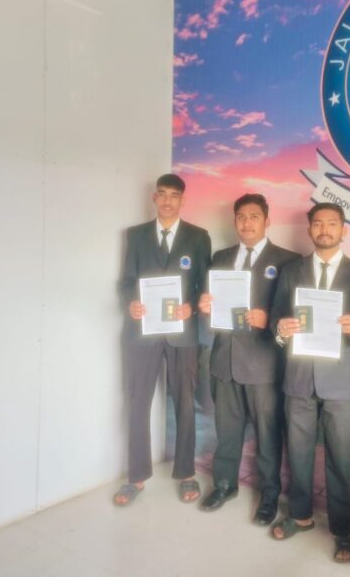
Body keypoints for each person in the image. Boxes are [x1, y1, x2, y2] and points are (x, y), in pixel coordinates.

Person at [269, 202, 350, 563]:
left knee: (340, 459)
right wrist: (281, 330)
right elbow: (276, 320)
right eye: (318, 223)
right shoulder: (291, 271)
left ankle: (343, 530)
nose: (324, 229)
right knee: (298, 453)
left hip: (340, 382)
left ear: (344, 230)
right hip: (298, 377)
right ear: (309, 230)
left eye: (332, 223)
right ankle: (300, 515)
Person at [197, 193, 300, 525]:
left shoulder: (288, 261)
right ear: (235, 221)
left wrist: (268, 318)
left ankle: (269, 496)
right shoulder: (221, 257)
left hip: (263, 364)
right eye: (241, 216)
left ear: (267, 221)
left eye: (254, 216)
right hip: (223, 360)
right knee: (226, 431)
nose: (246, 223)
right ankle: (224, 485)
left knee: (268, 436)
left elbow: (294, 313)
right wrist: (205, 307)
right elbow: (213, 306)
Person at [114, 173, 211, 506]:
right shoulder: (136, 235)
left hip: (182, 333)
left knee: (185, 402)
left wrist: (191, 307)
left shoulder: (198, 237)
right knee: (138, 401)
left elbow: (204, 284)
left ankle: (186, 474)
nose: (168, 201)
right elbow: (126, 281)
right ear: (154, 198)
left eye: (174, 195)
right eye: (162, 194)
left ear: (183, 200)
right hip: (142, 331)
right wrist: (131, 303)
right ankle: (136, 476)